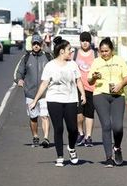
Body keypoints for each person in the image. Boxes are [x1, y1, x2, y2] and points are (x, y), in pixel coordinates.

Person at [29, 36, 86, 167]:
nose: (71, 52)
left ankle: (71, 148)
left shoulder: (73, 65)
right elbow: (44, 84)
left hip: (71, 100)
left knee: (72, 129)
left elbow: (78, 80)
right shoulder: (50, 66)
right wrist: (35, 100)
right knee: (58, 128)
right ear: (61, 51)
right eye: (69, 50)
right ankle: (60, 156)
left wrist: (83, 94)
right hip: (54, 100)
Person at [88, 37, 127, 167]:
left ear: (112, 50)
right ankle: (108, 157)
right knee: (106, 125)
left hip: (118, 95)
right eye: (102, 51)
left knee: (117, 127)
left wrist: (120, 85)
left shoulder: (119, 60)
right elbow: (90, 81)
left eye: (106, 51)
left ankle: (117, 147)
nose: (104, 53)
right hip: (100, 95)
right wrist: (94, 77)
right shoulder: (96, 62)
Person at [14, 34, 53, 148]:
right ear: (32, 45)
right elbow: (19, 72)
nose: (36, 46)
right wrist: (19, 80)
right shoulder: (26, 58)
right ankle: (35, 136)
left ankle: (46, 138)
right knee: (33, 117)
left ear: (41, 45)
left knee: (45, 116)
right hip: (30, 93)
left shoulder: (48, 57)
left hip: (45, 93)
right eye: (34, 44)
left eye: (38, 44)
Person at [73, 31, 98, 147]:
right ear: (80, 41)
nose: (85, 43)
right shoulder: (75, 54)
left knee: (89, 113)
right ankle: (80, 132)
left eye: (87, 41)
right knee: (79, 114)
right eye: (83, 40)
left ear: (90, 42)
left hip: (92, 88)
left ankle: (88, 136)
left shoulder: (95, 54)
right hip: (78, 87)